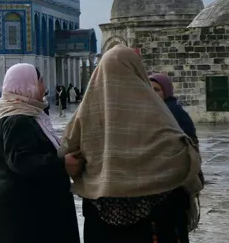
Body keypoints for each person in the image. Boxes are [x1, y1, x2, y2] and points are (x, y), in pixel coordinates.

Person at [63, 46, 203, 242]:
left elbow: (69, 154)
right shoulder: (157, 114)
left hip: (99, 217)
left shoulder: (85, 116)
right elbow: (181, 159)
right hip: (153, 217)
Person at [0, 63, 80, 243]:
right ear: (27, 85)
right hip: (24, 220)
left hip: (16, 215)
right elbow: (22, 162)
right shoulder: (16, 119)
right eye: (39, 82)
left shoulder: (5, 114)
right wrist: (62, 164)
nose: (44, 87)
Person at [150, 73, 198, 143]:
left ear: (166, 91)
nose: (152, 92)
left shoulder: (170, 109)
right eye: (149, 89)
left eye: (156, 90)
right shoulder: (155, 107)